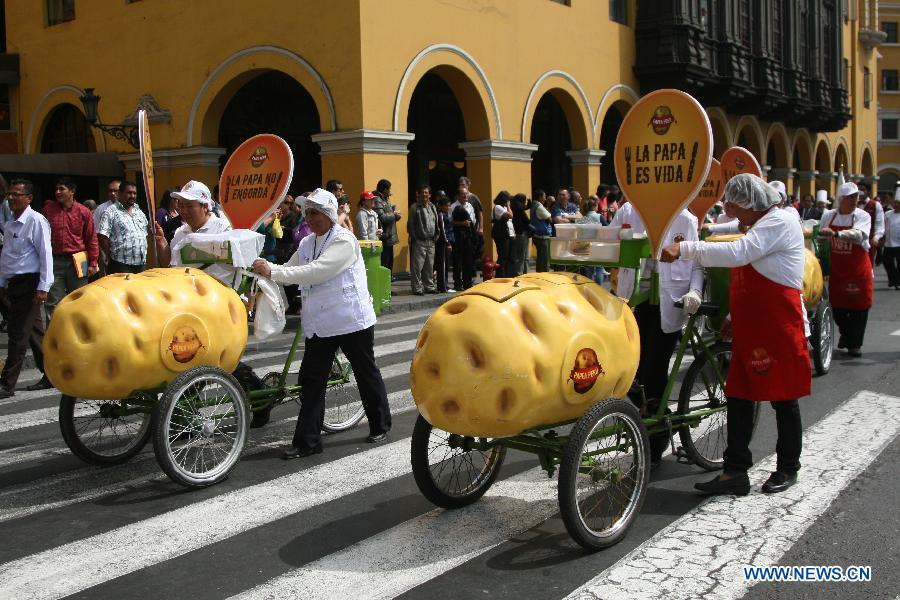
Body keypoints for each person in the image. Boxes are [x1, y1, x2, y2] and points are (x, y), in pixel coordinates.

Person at [660, 173, 810, 496]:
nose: (735, 219)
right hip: (753, 325)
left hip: (779, 326)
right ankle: (735, 471)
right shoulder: (759, 225)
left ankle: (788, 467)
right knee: (739, 395)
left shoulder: (780, 222)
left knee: (783, 398)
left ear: (749, 204)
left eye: (736, 211)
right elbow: (754, 273)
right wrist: (732, 315)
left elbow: (739, 253)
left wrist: (684, 248)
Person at [251, 189, 392, 458]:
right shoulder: (306, 244)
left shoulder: (344, 241)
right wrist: (265, 272)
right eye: (307, 213)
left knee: (365, 372)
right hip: (319, 323)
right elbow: (290, 269)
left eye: (314, 213)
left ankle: (380, 423)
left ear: (329, 214)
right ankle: (308, 442)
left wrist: (276, 271)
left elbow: (318, 271)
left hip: (351, 321)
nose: (309, 218)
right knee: (311, 381)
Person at [613, 201, 704, 464]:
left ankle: (657, 437)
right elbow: (609, 243)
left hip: (668, 301)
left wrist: (695, 290)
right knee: (629, 371)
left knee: (654, 369)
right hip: (632, 299)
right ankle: (651, 416)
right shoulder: (629, 210)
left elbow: (697, 260)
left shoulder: (685, 218)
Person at [0, 179, 53, 398]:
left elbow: (45, 255)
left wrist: (43, 286)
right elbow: (9, 257)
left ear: (28, 198)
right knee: (34, 333)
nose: (11, 198)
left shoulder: (36, 220)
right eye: (10, 194)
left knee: (18, 333)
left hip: (31, 283)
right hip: (14, 284)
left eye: (16, 194)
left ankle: (7, 384)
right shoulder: (11, 223)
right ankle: (52, 374)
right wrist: (2, 282)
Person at [819, 181, 873, 357]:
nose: (854, 200)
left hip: (858, 270)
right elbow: (821, 237)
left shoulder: (862, 216)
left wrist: (836, 234)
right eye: (850, 197)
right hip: (838, 270)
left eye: (856, 197)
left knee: (859, 308)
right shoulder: (829, 216)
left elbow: (859, 235)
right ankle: (846, 333)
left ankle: (854, 345)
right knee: (839, 307)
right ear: (841, 199)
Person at [42, 177, 99, 320]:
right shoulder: (48, 210)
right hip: (55, 261)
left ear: (72, 191)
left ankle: (77, 336)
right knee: (53, 302)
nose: (57, 192)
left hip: (78, 260)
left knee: (79, 300)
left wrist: (93, 263)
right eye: (56, 189)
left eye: (62, 189)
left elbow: (91, 238)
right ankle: (54, 338)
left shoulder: (84, 211)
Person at [98, 181, 149, 274]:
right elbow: (102, 236)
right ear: (120, 194)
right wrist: (109, 256)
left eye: (134, 193)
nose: (132, 196)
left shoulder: (139, 212)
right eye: (129, 193)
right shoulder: (110, 212)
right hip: (120, 264)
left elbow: (145, 234)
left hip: (141, 264)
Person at [407, 184, 438, 295]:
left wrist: (437, 232)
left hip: (431, 241)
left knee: (429, 265)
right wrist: (414, 237)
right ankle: (417, 288)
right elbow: (410, 224)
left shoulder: (432, 206)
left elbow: (436, 221)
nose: (424, 194)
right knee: (417, 266)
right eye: (422, 192)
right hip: (420, 241)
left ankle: (429, 286)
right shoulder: (415, 207)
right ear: (418, 194)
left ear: (430, 195)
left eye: (426, 192)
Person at [372, 179, 401, 274]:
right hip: (384, 236)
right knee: (384, 263)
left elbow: (388, 215)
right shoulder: (377, 199)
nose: (390, 192)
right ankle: (384, 287)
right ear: (384, 189)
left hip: (389, 236)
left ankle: (388, 286)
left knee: (389, 264)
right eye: (389, 189)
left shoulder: (385, 199)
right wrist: (393, 214)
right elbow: (382, 218)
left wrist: (396, 217)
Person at [451, 191, 476, 290]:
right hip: (457, 236)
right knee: (458, 261)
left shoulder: (470, 206)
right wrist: (462, 223)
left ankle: (468, 283)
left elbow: (473, 220)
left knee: (468, 260)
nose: (466, 196)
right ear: (458, 196)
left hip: (468, 235)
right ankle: (458, 283)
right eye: (463, 194)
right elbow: (450, 222)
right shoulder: (453, 206)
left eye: (467, 194)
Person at [856, 182, 884, 268]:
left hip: (869, 240)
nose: (860, 191)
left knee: (867, 264)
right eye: (858, 189)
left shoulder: (875, 205)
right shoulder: (853, 204)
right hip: (854, 238)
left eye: (862, 189)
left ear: (868, 191)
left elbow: (879, 224)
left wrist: (876, 238)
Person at [434, 191, 455, 293]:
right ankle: (442, 286)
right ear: (441, 206)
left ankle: (446, 285)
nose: (448, 207)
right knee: (442, 265)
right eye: (446, 206)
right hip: (442, 244)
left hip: (446, 243)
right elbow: (443, 230)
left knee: (446, 265)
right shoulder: (441, 215)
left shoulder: (446, 214)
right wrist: (447, 243)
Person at [490, 191, 513, 277]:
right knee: (502, 256)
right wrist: (508, 205)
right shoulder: (498, 207)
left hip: (504, 233)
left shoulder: (502, 207)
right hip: (500, 234)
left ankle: (503, 274)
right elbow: (511, 216)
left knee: (505, 256)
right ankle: (500, 275)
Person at [507, 193, 531, 277]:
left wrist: (529, 201)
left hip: (515, 233)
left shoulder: (513, 206)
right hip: (521, 233)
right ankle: (520, 274)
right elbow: (527, 220)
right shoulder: (519, 208)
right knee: (522, 255)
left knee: (518, 254)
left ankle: (520, 273)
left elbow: (527, 207)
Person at [529, 189, 553, 272]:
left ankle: (539, 274)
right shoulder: (539, 206)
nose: (545, 199)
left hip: (537, 235)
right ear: (540, 197)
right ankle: (544, 275)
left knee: (540, 258)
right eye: (544, 197)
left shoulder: (534, 205)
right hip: (542, 236)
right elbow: (550, 219)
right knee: (544, 260)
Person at [884, 193, 900, 289]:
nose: (896, 205)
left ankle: (897, 282)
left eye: (898, 203)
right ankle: (892, 279)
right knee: (887, 262)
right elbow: (883, 226)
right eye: (895, 203)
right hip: (889, 243)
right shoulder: (887, 214)